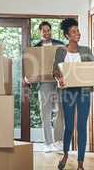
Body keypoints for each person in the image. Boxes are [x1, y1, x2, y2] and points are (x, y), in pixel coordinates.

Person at [53, 18, 94, 170]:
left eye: (78, 31)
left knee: (82, 127)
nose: (78, 33)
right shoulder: (60, 51)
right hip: (68, 92)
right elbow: (55, 70)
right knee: (69, 126)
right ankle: (65, 154)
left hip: (84, 92)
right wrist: (60, 77)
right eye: (74, 31)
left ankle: (81, 164)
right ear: (67, 35)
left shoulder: (86, 50)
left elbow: (93, 69)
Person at [31, 21, 64, 150]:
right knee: (45, 112)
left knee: (60, 111)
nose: (46, 32)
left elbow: (66, 61)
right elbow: (32, 67)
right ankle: (48, 143)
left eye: (48, 30)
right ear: (40, 32)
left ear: (51, 31)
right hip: (44, 82)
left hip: (59, 80)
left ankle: (58, 141)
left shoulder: (60, 45)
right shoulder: (36, 48)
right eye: (44, 30)